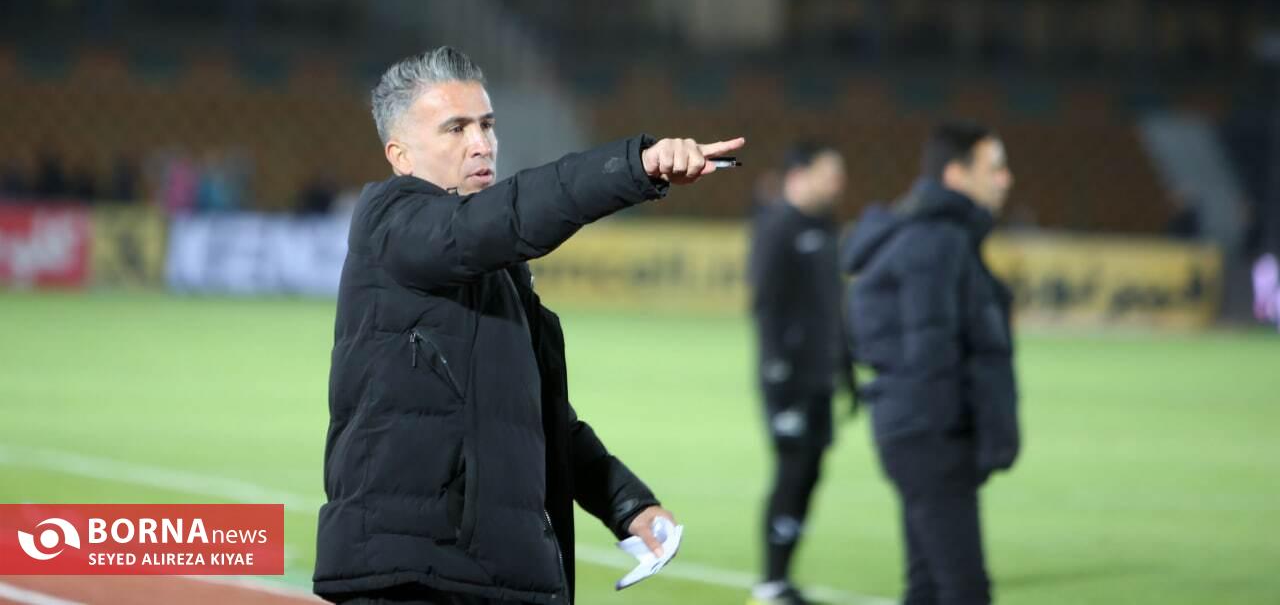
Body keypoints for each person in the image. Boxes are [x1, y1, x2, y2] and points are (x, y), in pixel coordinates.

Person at [313, 47, 744, 605]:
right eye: (456, 128)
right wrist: (634, 167)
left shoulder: (498, 266)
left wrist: (625, 502)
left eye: (487, 124)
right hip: (412, 572)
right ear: (400, 155)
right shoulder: (390, 221)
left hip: (493, 571)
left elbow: (534, 415)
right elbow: (512, 213)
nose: (481, 143)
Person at [842, 122, 1020, 605]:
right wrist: (952, 436)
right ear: (956, 174)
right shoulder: (936, 239)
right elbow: (930, 345)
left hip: (921, 429)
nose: (1005, 179)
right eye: (994, 168)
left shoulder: (937, 233)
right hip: (931, 433)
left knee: (928, 587)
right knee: (963, 590)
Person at [747, 144, 850, 605]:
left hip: (821, 378)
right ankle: (771, 581)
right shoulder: (777, 226)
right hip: (789, 382)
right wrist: (778, 376)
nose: (838, 183)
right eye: (829, 173)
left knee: (809, 473)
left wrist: (846, 368)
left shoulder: (826, 227)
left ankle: (783, 579)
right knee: (792, 472)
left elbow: (832, 308)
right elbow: (765, 305)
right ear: (800, 175)